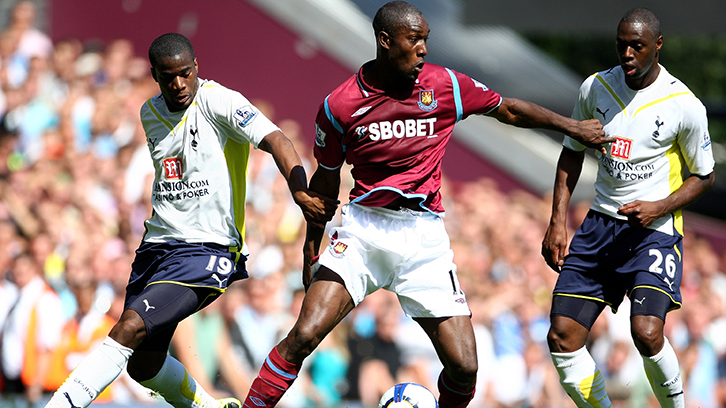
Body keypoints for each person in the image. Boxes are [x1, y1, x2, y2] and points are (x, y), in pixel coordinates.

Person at [242, 2, 612, 408]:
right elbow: (324, 185)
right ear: (386, 41)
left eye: (426, 41)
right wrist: (312, 244)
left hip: (424, 237)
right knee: (304, 335)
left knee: (465, 366)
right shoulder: (340, 105)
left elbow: (506, 108)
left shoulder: (445, 85)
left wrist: (571, 126)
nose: (422, 50)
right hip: (364, 231)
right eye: (414, 40)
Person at [44, 32, 336, 408]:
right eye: (169, 77)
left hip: (207, 249)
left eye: (186, 73)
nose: (179, 84)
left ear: (197, 67)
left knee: (129, 327)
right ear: (155, 76)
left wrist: (298, 189)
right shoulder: (149, 114)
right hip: (155, 249)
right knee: (144, 365)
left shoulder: (219, 101)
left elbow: (277, 139)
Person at [541, 8, 716, 408]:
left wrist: (660, 206)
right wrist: (556, 222)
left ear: (657, 45)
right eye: (621, 45)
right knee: (562, 336)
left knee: (647, 332)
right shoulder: (595, 87)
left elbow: (704, 177)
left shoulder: (683, 104)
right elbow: (571, 154)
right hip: (600, 225)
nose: (628, 54)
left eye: (637, 46)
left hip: (653, 231)